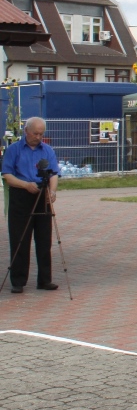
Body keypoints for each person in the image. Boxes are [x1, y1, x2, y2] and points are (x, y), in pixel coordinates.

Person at [2, 117, 59, 293]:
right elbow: (7, 175)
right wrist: (25, 185)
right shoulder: (14, 150)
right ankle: (18, 281)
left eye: (41, 134)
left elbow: (54, 173)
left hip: (42, 195)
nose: (38, 137)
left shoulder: (47, 150)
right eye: (35, 133)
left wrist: (52, 191)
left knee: (44, 239)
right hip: (21, 194)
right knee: (20, 238)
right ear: (26, 131)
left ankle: (44, 280)